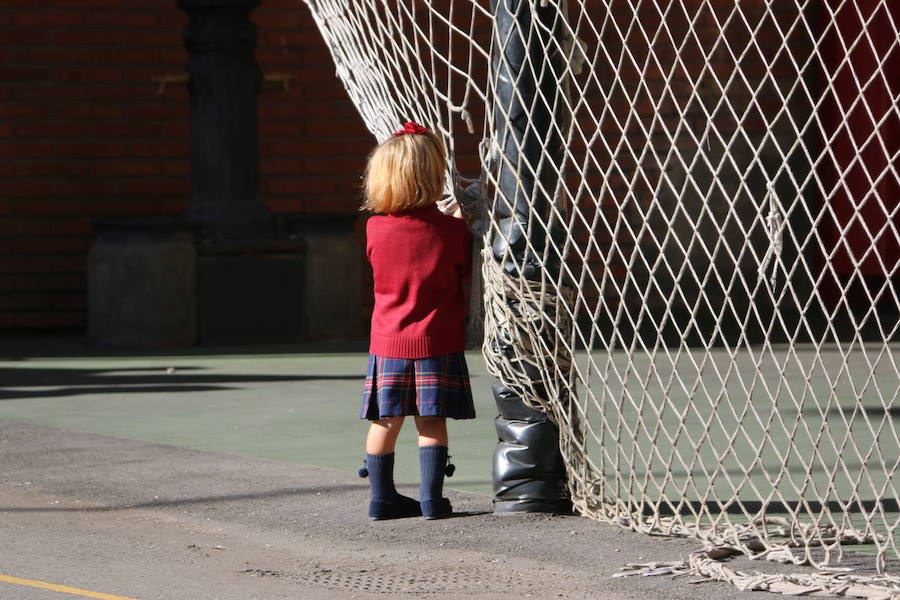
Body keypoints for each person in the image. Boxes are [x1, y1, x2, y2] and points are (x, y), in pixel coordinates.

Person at [358, 121, 475, 520]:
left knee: (385, 420)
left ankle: (381, 498)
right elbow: (461, 268)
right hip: (437, 340)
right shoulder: (453, 230)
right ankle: (431, 500)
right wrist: (457, 219)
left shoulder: (375, 228)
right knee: (431, 421)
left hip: (388, 341)